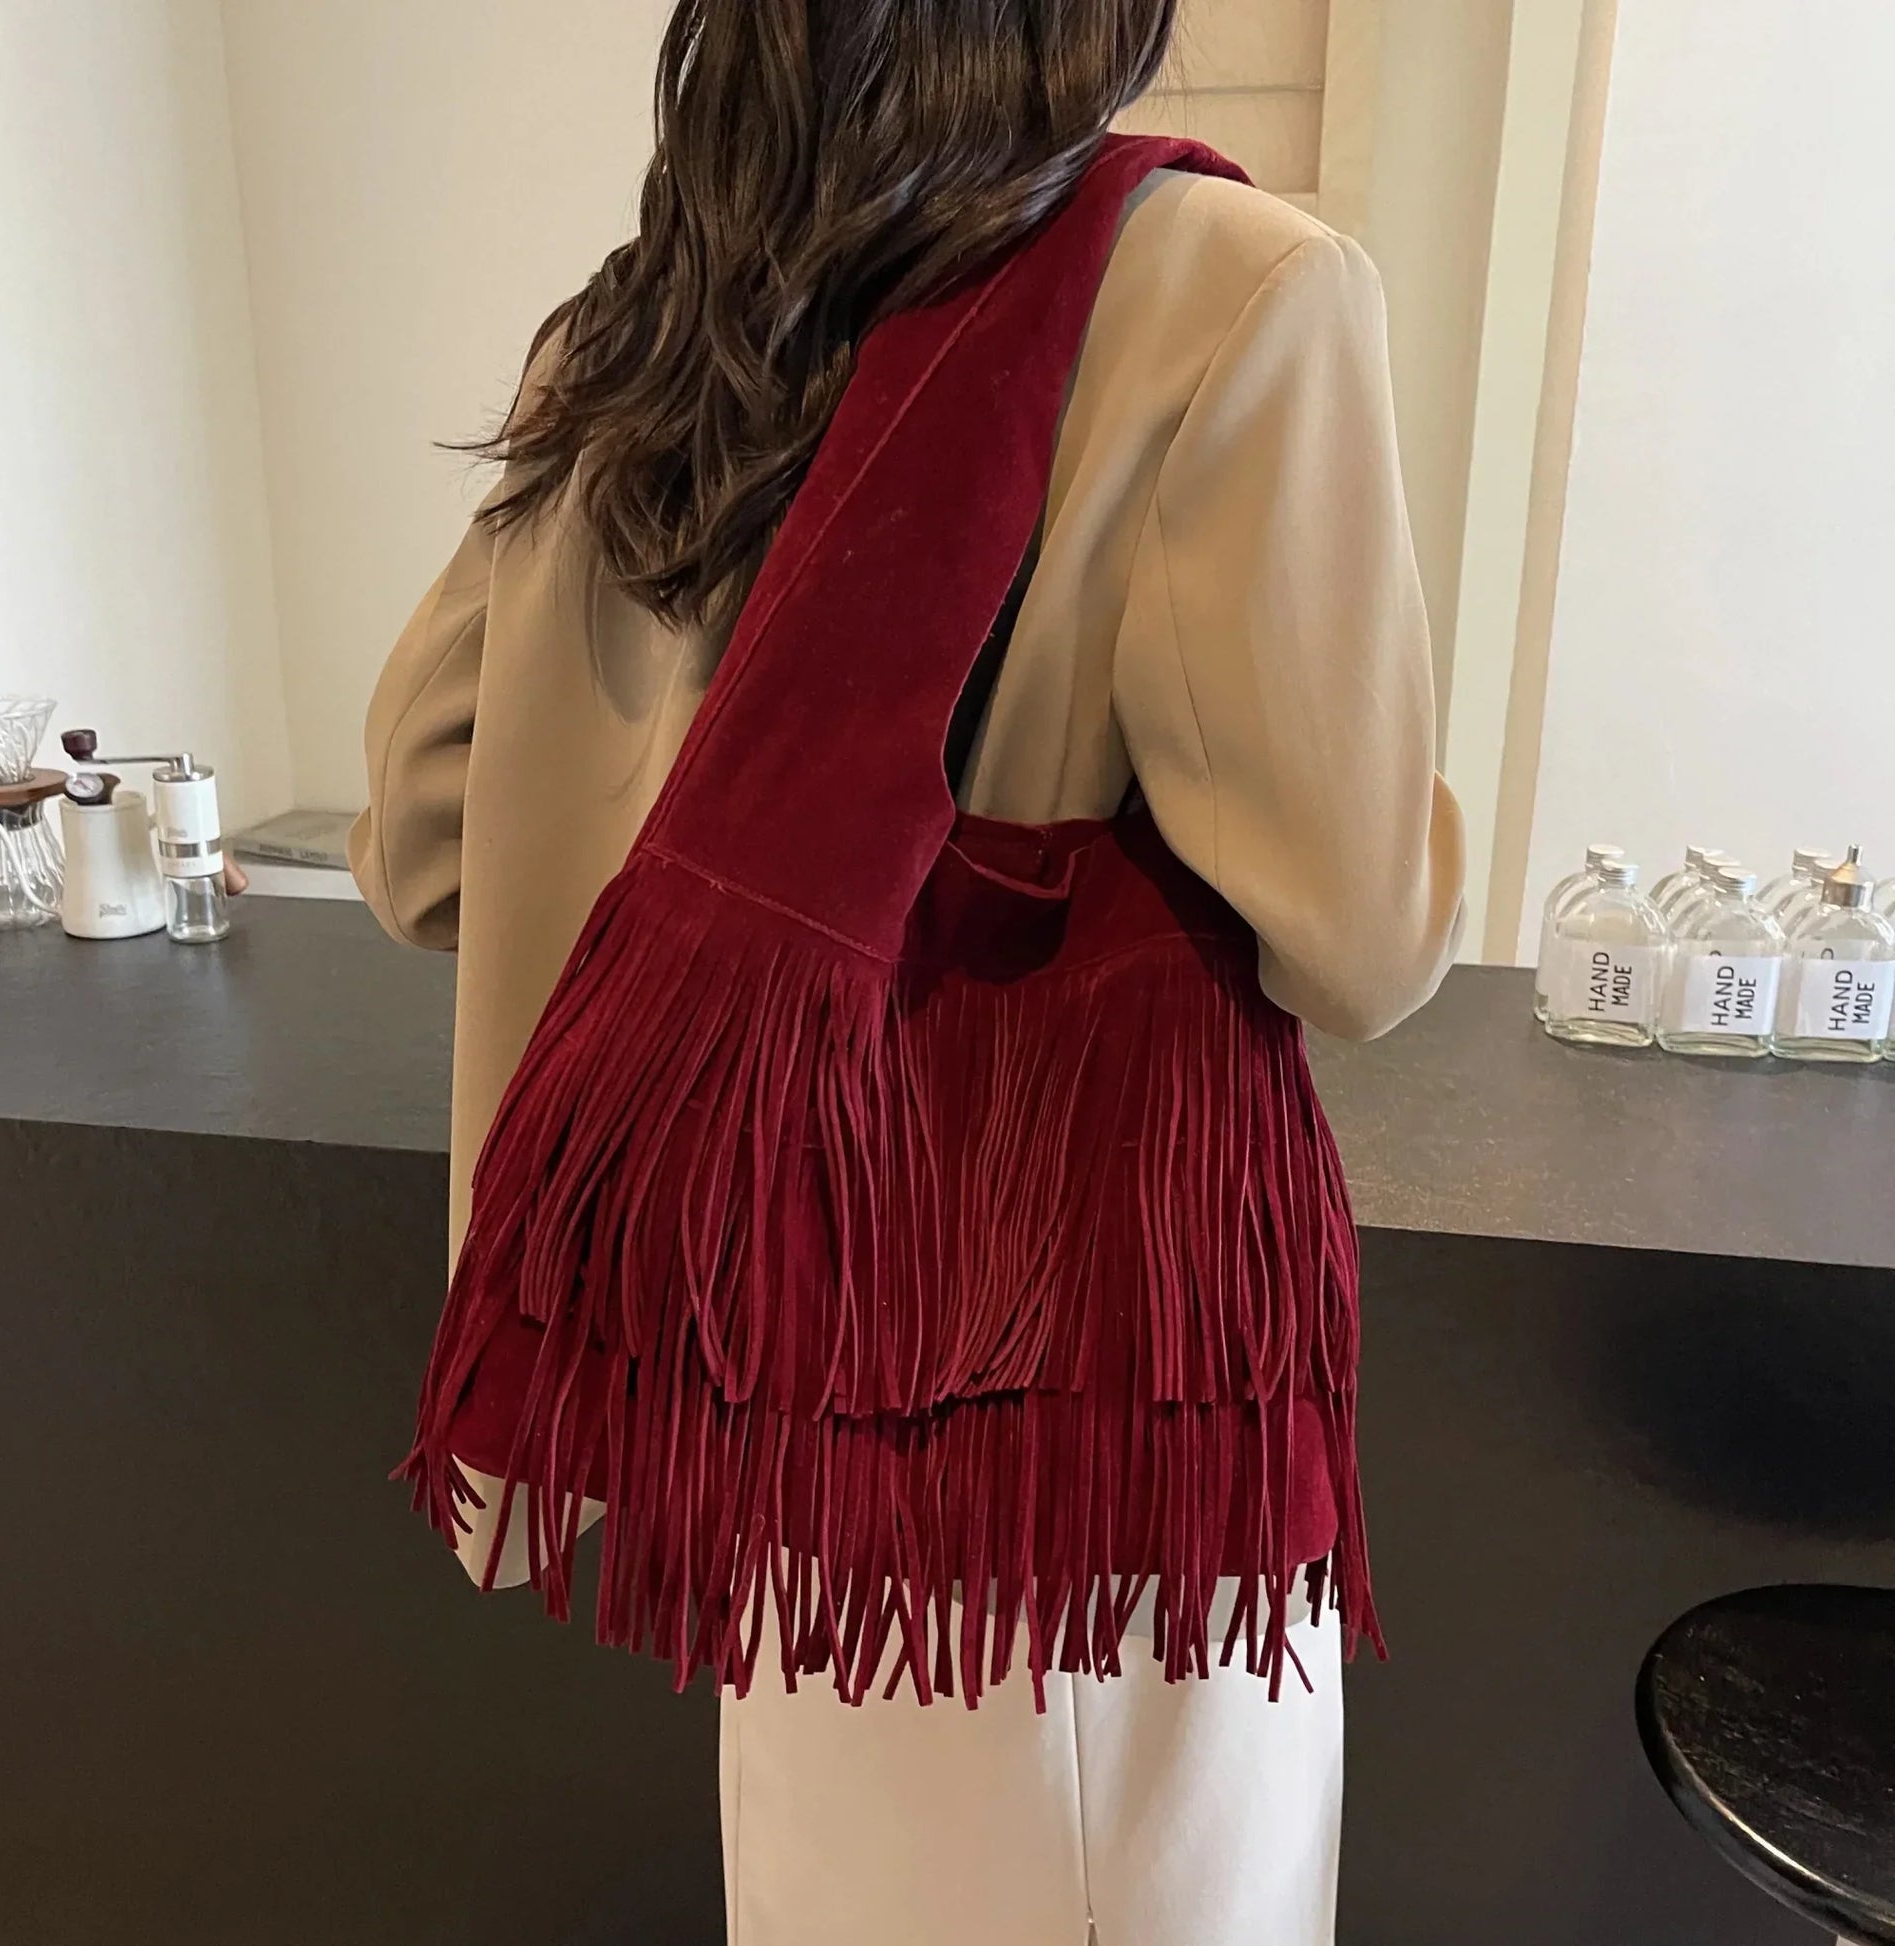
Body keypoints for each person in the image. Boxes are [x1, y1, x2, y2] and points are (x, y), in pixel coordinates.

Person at [352, 4, 1465, 1941]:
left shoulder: (652, 325)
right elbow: (1355, 931)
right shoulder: (1229, 291)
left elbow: (426, 830)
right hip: (1076, 1443)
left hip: (781, 1392)